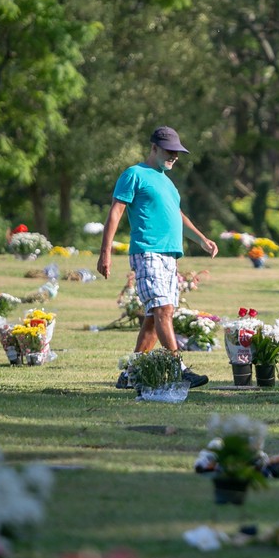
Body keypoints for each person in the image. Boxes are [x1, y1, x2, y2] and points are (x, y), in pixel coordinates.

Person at [96, 126, 219, 389]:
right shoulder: (134, 174)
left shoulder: (168, 183)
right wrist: (105, 252)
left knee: (156, 317)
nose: (174, 156)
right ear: (154, 148)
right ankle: (178, 368)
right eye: (169, 151)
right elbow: (116, 212)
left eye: (177, 152)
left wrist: (201, 239)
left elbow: (177, 215)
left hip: (169, 257)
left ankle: (131, 374)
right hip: (147, 251)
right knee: (162, 309)